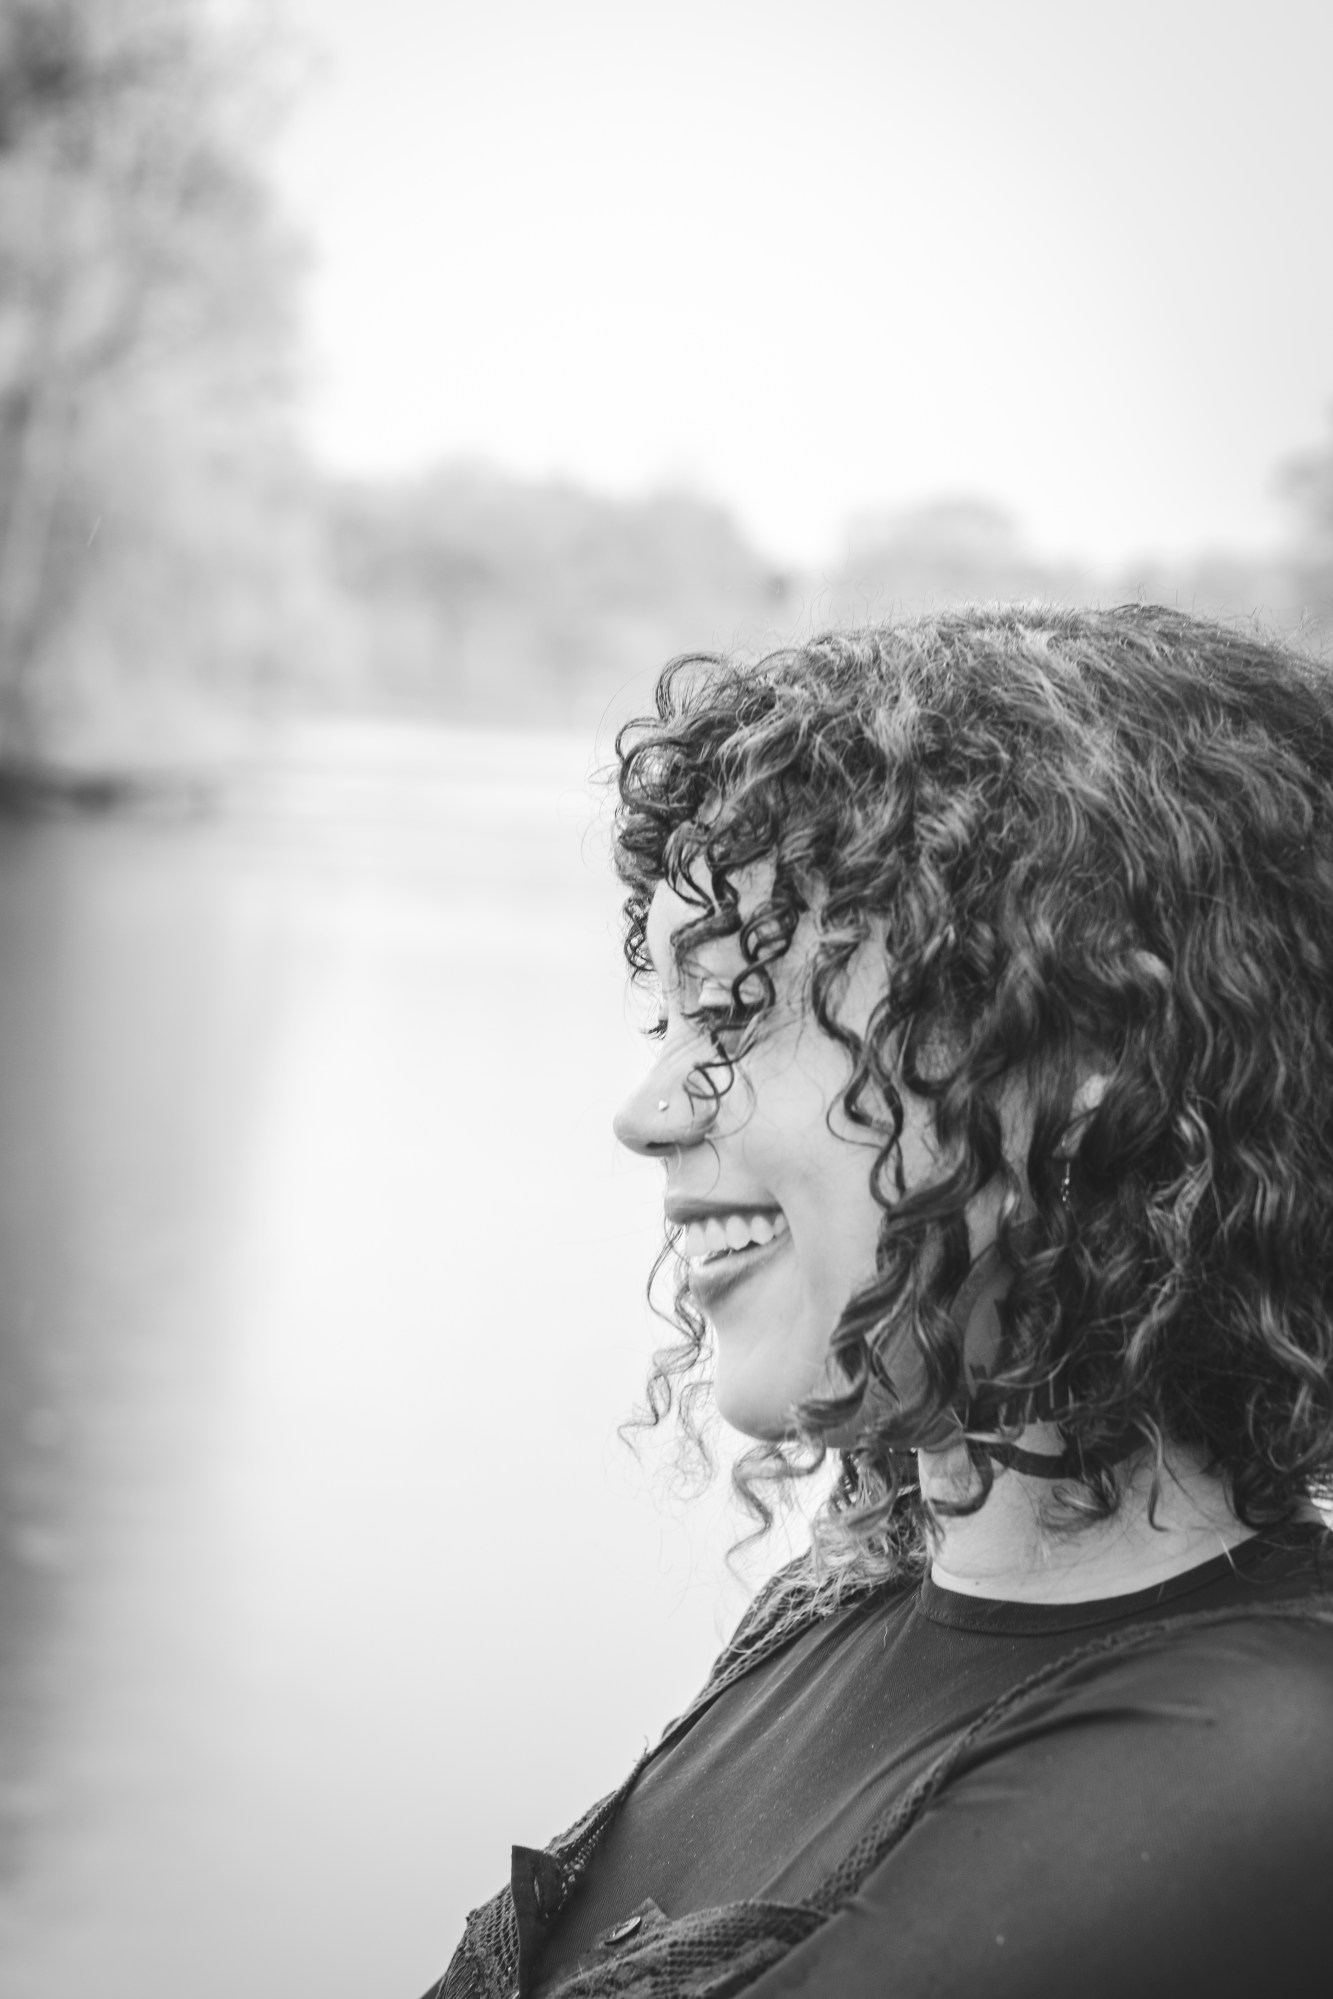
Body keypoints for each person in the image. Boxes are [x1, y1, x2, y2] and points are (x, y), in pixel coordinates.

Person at [426, 605, 1333, 1999]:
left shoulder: (1248, 1755)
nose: (645, 1109)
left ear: (1079, 1048)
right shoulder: (847, 1585)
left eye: (733, 1010)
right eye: (660, 1019)